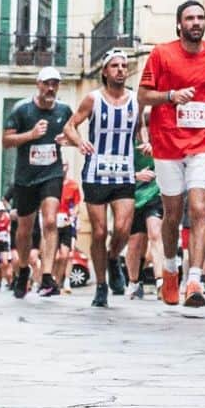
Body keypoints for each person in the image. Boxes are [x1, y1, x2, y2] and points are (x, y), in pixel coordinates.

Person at [138, 0, 205, 311]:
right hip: (166, 144)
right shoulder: (161, 54)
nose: (195, 22)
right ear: (179, 24)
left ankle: (195, 280)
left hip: (203, 141)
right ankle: (169, 266)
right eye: (189, 18)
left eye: (200, 17)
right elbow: (143, 95)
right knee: (172, 214)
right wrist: (170, 96)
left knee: (199, 207)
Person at [64, 50, 142, 309]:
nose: (121, 69)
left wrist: (147, 145)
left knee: (122, 228)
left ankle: (112, 257)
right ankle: (100, 285)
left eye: (123, 66)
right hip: (96, 172)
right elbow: (69, 126)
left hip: (124, 172)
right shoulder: (93, 99)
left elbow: (140, 132)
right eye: (115, 66)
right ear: (105, 72)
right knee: (98, 231)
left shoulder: (136, 101)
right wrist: (79, 142)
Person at [3, 68, 73, 299]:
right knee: (24, 229)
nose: (51, 88)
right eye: (47, 84)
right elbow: (6, 140)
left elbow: (72, 134)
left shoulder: (64, 110)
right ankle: (23, 270)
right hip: (26, 177)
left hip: (52, 173)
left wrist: (69, 140)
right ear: (38, 84)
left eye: (55, 84)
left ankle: (46, 275)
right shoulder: (22, 110)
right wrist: (30, 135)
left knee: (51, 220)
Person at [126, 121, 162, 299]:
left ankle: (161, 282)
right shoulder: (126, 143)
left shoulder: (161, 142)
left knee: (155, 234)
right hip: (132, 196)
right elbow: (116, 170)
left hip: (156, 194)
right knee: (135, 242)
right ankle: (134, 282)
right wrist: (136, 175)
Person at [55, 166, 82, 294]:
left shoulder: (73, 186)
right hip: (54, 223)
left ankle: (65, 281)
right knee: (55, 256)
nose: (63, 168)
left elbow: (77, 204)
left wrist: (73, 217)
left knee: (68, 254)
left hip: (68, 223)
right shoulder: (53, 184)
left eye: (65, 166)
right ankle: (55, 279)